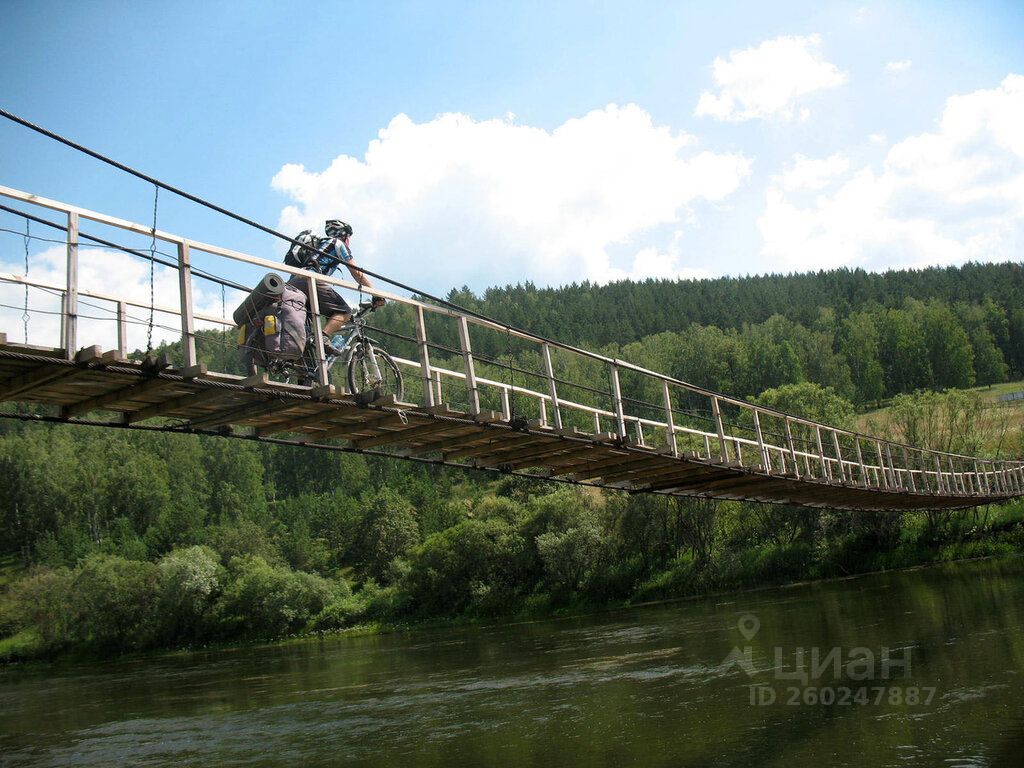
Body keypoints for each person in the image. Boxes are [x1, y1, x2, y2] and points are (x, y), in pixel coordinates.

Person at [287, 219, 384, 356]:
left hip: (294, 283)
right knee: (344, 312)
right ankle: (322, 337)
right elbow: (356, 272)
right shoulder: (337, 244)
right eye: (349, 237)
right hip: (309, 281)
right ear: (344, 236)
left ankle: (306, 371)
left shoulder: (319, 247)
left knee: (308, 328)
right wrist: (376, 293)